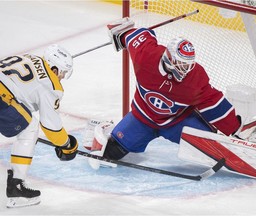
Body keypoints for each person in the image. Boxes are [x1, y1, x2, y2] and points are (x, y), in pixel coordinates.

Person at [84, 17, 243, 168]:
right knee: (111, 153)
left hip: (177, 122)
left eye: (187, 64)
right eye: (180, 63)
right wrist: (121, 31)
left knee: (212, 147)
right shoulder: (146, 56)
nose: (185, 69)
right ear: (169, 58)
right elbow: (136, 36)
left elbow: (213, 103)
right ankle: (110, 130)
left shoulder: (195, 78)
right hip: (142, 117)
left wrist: (234, 128)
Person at [0, 44, 78, 208]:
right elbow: (51, 126)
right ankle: (16, 186)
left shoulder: (30, 57)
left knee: (26, 121)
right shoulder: (51, 85)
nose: (61, 78)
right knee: (30, 127)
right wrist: (66, 145)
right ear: (54, 68)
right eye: (62, 73)